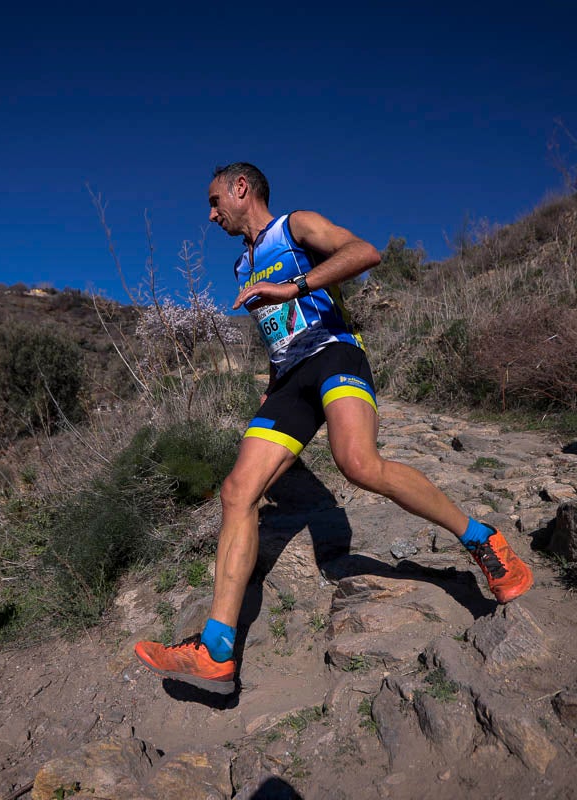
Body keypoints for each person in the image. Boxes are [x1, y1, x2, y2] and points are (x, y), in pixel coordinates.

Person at [133, 163, 533, 694]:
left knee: (358, 463)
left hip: (335, 355)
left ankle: (484, 541)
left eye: (214, 201)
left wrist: (293, 284)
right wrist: (272, 380)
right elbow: (278, 331)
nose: (211, 215)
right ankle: (217, 649)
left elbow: (364, 252)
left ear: (240, 188)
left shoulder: (294, 227)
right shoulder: (239, 267)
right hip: (289, 380)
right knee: (237, 492)